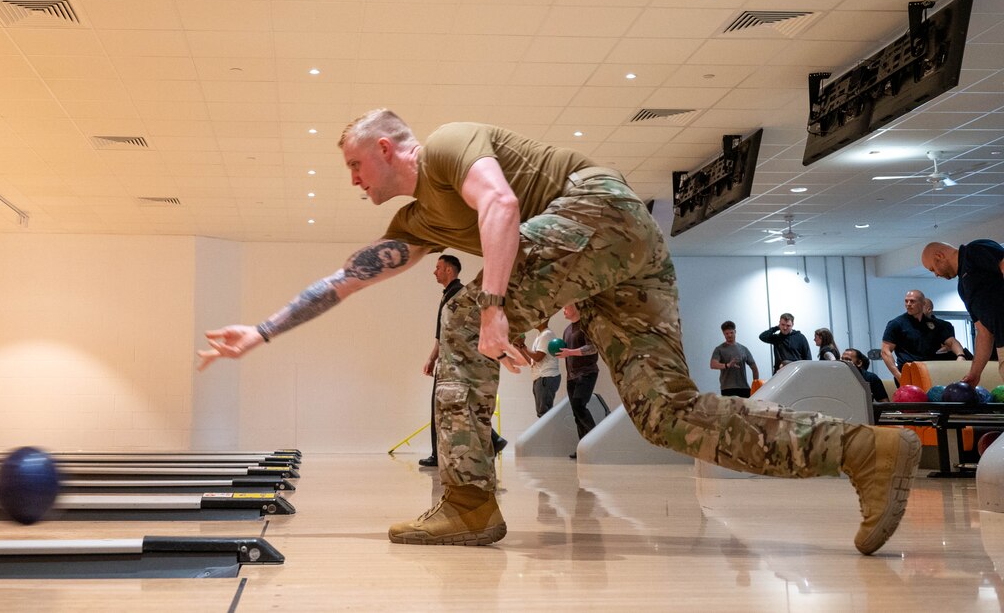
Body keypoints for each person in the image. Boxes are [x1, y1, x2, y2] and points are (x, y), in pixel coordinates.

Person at [197, 109, 920, 555]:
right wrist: (261, 331)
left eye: (355, 164)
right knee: (666, 414)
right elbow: (345, 279)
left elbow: (503, 207)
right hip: (623, 263)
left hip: (599, 208)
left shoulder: (450, 144)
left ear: (390, 146)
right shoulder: (412, 225)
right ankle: (867, 450)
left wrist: (496, 305)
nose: (353, 180)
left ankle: (468, 502)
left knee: (460, 310)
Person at [420, 254, 505, 467]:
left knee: (445, 406)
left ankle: (439, 454)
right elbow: (442, 333)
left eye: (438, 267)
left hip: (457, 362)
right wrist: (432, 357)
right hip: (451, 359)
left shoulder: (459, 295)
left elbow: (456, 333)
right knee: (452, 406)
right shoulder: (449, 295)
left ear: (449, 270)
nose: (434, 271)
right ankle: (493, 440)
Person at [921, 240, 1004, 388]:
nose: (936, 275)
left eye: (933, 269)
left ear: (939, 256)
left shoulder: (974, 250)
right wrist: (975, 373)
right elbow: (984, 333)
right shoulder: (962, 288)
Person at [880, 289, 966, 384]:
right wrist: (899, 376)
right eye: (906, 301)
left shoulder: (934, 324)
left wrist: (960, 355)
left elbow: (952, 342)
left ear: (923, 303)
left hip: (931, 372)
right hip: (908, 373)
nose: (908, 304)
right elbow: (885, 351)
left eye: (912, 301)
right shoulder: (897, 324)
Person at [556, 303, 607, 458]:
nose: (564, 310)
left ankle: (594, 442)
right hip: (571, 376)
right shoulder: (566, 330)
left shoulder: (586, 326)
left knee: (579, 405)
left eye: (566, 307)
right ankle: (583, 449)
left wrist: (570, 352)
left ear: (576, 308)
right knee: (576, 412)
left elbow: (593, 348)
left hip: (587, 373)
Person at [710, 321, 759, 398]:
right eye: (727, 333)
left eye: (731, 332)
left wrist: (756, 386)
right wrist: (727, 365)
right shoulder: (719, 349)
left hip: (744, 388)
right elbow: (713, 364)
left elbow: (754, 368)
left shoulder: (743, 349)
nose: (729, 335)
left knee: (747, 409)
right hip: (727, 389)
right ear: (723, 334)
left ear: (735, 332)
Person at [528, 319, 561, 417]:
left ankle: (552, 432)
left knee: (544, 413)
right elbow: (532, 361)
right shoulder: (540, 335)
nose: (533, 320)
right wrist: (520, 347)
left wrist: (523, 346)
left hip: (546, 377)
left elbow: (538, 357)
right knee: (541, 413)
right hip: (541, 378)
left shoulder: (546, 335)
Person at [922, 297, 970, 361]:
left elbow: (950, 345)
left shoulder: (943, 325)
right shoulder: (909, 324)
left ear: (929, 309)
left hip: (938, 360)